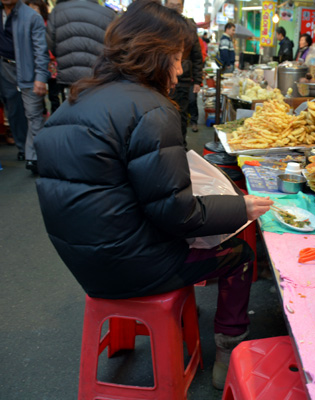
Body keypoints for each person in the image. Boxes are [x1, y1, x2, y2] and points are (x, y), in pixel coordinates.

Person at [34, 0, 273, 390]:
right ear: (156, 53)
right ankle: (230, 345)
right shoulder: (152, 109)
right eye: (177, 59)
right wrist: (240, 207)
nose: (180, 71)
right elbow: (178, 215)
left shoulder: (75, 101)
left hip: (84, 263)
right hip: (132, 267)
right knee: (239, 255)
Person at [0, 0, 49, 173]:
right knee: (13, 112)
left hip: (27, 71)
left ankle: (35, 158)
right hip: (4, 69)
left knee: (33, 115)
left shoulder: (31, 17)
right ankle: (23, 148)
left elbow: (41, 50)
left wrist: (40, 77)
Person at [46, 0, 116, 89]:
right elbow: (114, 46)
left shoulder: (57, 12)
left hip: (69, 73)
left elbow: (50, 43)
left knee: (72, 100)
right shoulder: (108, 14)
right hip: (97, 74)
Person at [164, 0, 203, 146]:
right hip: (160, 77)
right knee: (163, 113)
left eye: (178, 2)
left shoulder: (189, 27)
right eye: (172, 2)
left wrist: (198, 80)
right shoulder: (158, 23)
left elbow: (197, 56)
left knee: (180, 114)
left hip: (183, 79)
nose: (175, 4)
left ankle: (180, 147)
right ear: (165, 3)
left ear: (182, 6)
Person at [24, 0, 63, 115]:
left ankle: (55, 113)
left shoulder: (48, 24)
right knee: (38, 92)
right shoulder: (27, 26)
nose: (32, 12)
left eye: (35, 9)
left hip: (52, 63)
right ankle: (43, 112)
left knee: (53, 93)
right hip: (36, 63)